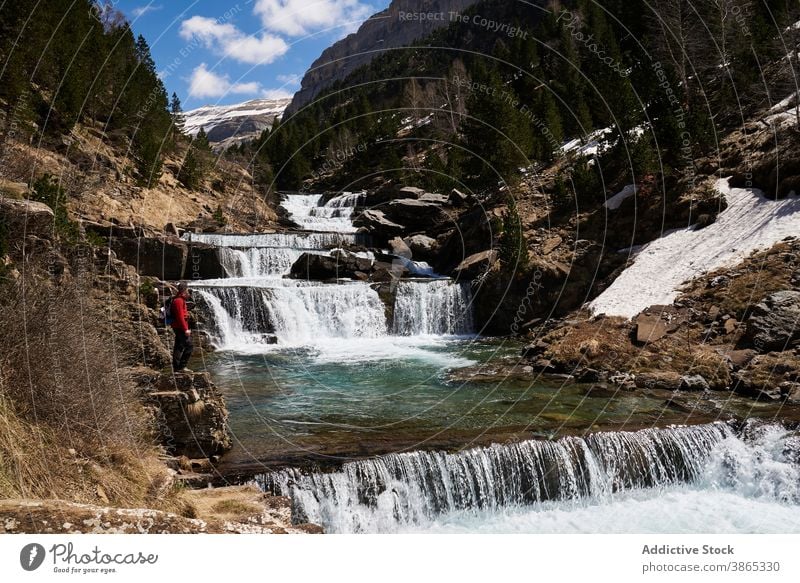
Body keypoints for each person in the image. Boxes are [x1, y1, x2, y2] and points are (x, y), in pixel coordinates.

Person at [170, 282, 193, 372]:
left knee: (179, 347)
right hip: (180, 327)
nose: (188, 292)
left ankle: (176, 368)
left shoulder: (179, 300)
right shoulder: (179, 301)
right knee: (189, 346)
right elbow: (180, 317)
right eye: (187, 290)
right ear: (183, 291)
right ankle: (182, 367)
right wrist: (185, 329)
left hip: (178, 327)